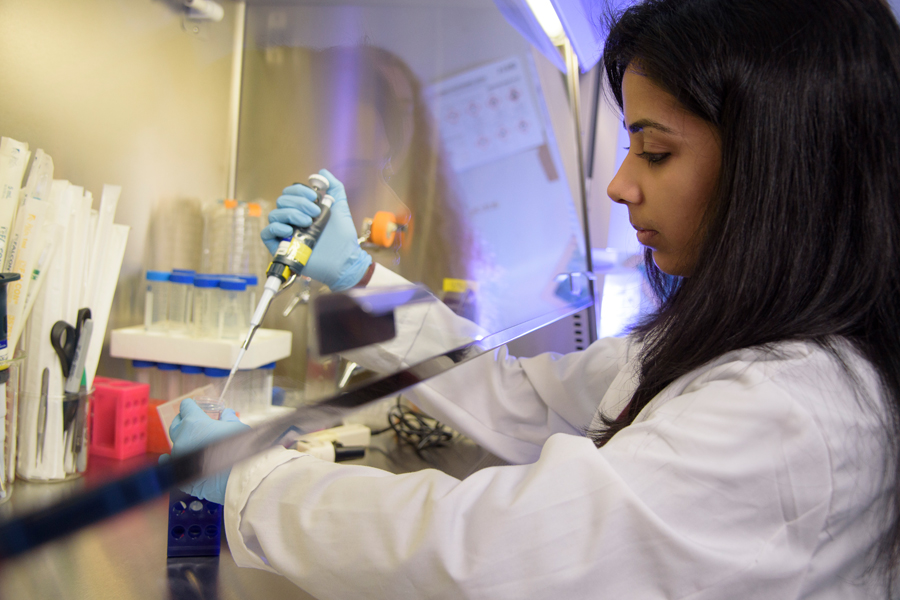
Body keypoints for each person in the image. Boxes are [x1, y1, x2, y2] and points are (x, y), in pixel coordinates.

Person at [164, 0, 900, 597]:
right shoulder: (743, 345)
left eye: (655, 150)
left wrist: (253, 485)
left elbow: (488, 552)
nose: (619, 184)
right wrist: (358, 280)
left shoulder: (789, 412)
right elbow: (523, 398)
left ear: (777, 164)